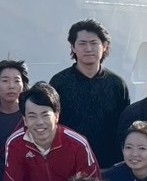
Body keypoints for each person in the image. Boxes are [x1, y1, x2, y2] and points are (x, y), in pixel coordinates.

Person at [49, 19, 130, 168]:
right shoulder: (59, 82)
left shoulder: (117, 84)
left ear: (104, 46)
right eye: (82, 43)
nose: (88, 48)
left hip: (109, 164)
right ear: (73, 47)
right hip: (69, 163)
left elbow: (124, 126)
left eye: (94, 43)